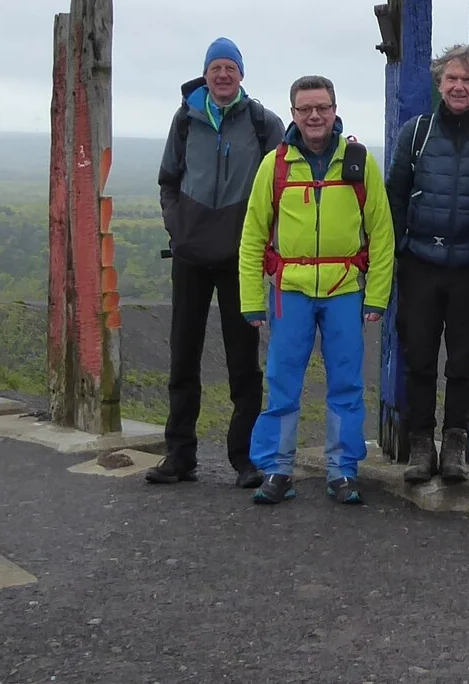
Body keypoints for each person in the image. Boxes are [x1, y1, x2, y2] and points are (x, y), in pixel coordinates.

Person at [236, 75, 394, 506]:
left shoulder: (359, 162)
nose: (314, 116)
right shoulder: (275, 165)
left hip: (345, 290)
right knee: (282, 383)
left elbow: (382, 233)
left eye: (322, 107)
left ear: (335, 110)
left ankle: (343, 472)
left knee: (346, 384)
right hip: (290, 291)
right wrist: (252, 301)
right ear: (293, 113)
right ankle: (277, 470)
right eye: (305, 109)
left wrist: (377, 296)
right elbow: (253, 235)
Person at [148, 37, 285, 488]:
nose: (223, 75)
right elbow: (168, 180)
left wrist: (264, 240)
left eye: (230, 68)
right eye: (216, 68)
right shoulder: (185, 119)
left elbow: (281, 186)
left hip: (240, 257)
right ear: (205, 74)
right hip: (189, 255)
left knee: (243, 361)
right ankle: (179, 455)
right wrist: (178, 228)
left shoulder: (263, 123)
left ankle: (245, 459)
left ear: (241, 74)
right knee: (183, 357)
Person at [385, 44, 469, 485]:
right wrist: (400, 252)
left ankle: (455, 444)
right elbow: (395, 195)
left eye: (468, 79)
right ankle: (421, 445)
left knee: (464, 362)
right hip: (420, 264)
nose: (459, 86)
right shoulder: (417, 133)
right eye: (452, 78)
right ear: (439, 83)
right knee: (418, 358)